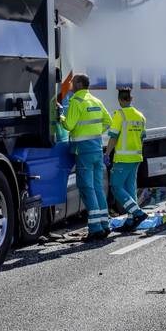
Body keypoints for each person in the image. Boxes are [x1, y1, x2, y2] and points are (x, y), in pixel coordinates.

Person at [58, 74, 113, 241]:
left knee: (86, 187)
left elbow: (68, 125)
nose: (71, 85)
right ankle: (105, 225)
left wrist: (60, 115)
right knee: (97, 187)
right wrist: (95, 134)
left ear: (79, 84)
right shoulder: (95, 101)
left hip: (83, 151)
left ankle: (95, 228)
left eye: (73, 82)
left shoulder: (76, 101)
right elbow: (108, 121)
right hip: (96, 148)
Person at [105, 88, 149, 232]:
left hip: (123, 158)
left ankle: (137, 213)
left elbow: (113, 137)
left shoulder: (119, 115)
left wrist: (107, 154)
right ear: (131, 99)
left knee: (116, 186)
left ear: (119, 100)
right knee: (130, 188)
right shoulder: (140, 116)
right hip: (136, 157)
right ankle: (131, 220)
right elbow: (142, 138)